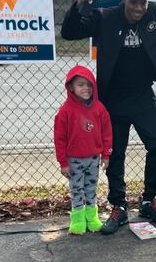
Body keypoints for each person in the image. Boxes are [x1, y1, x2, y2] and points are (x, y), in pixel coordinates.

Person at [61, 0, 156, 235]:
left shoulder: (155, 14)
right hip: (112, 98)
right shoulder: (106, 17)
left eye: (143, 3)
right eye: (134, 2)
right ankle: (118, 206)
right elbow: (69, 32)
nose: (138, 8)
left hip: (142, 96)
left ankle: (148, 200)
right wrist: (81, 2)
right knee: (115, 151)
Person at [54, 65, 112, 235]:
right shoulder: (65, 111)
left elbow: (107, 133)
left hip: (94, 158)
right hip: (74, 160)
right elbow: (59, 139)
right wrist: (63, 162)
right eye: (80, 84)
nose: (85, 88)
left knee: (91, 188)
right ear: (71, 87)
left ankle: (91, 216)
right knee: (77, 189)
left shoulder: (99, 109)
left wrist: (106, 154)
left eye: (89, 85)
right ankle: (78, 219)